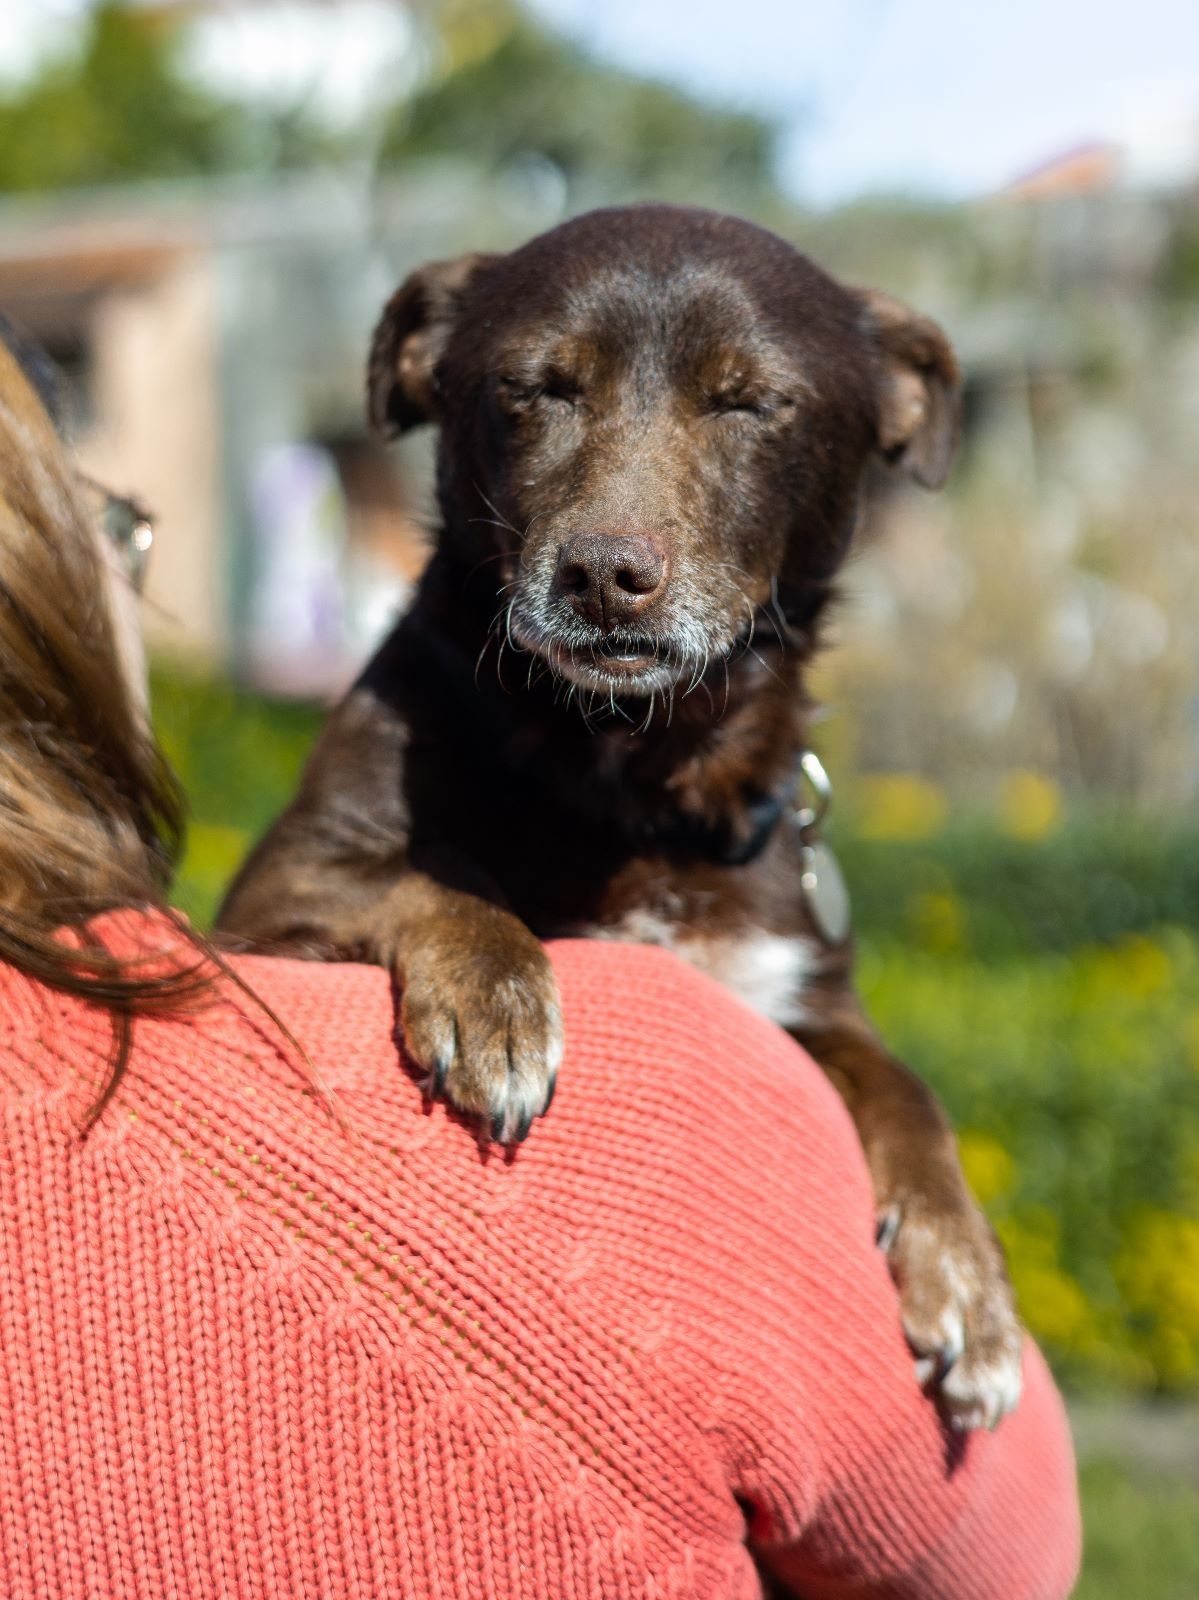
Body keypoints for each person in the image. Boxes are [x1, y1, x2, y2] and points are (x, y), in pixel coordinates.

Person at [0, 332, 1081, 1599]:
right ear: (46, 605)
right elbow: (1004, 1552)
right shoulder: (667, 1118)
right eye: (119, 532)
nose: (624, 530)